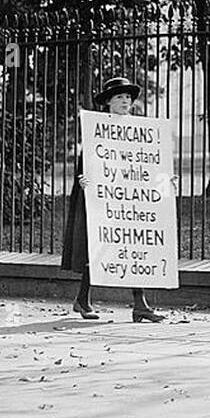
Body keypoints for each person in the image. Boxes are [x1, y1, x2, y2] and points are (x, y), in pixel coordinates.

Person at [62, 75, 166, 323]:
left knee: (133, 247)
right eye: (119, 97)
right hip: (102, 198)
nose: (125, 101)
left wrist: (163, 181)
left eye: (128, 97)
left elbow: (148, 162)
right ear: (108, 101)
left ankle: (140, 304)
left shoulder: (138, 131)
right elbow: (87, 162)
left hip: (130, 200)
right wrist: (82, 179)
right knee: (96, 246)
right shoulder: (98, 128)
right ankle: (83, 299)